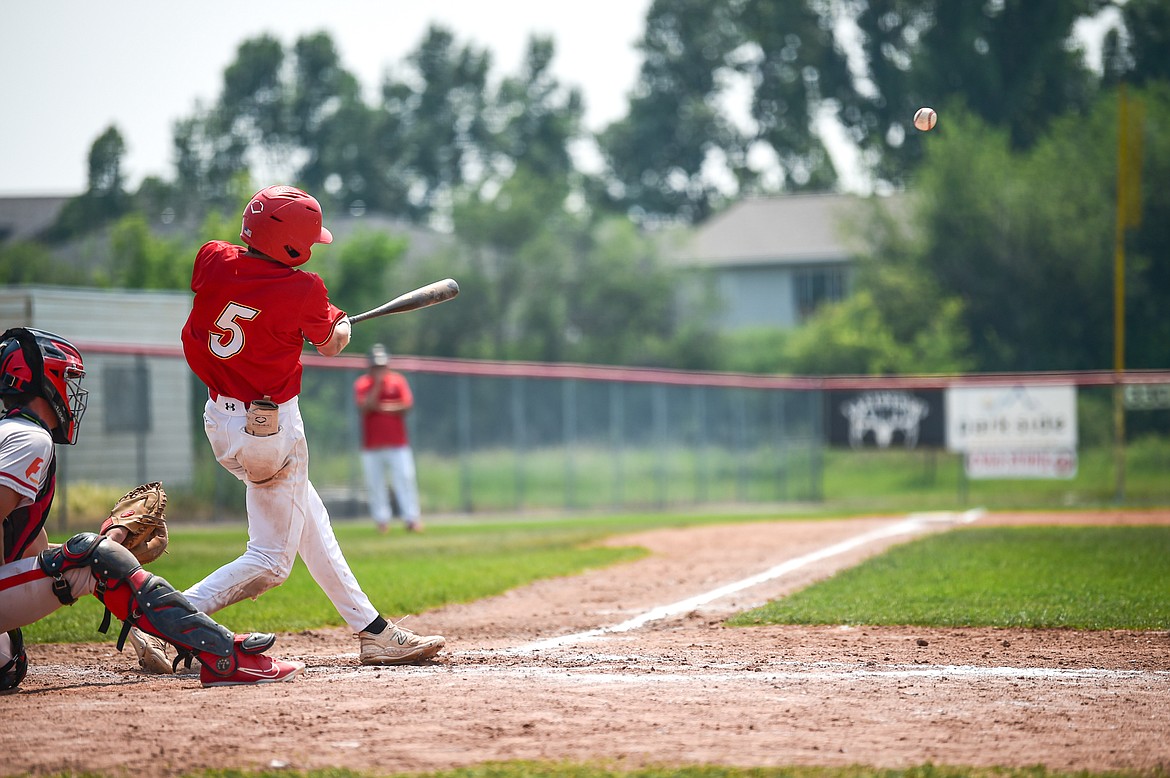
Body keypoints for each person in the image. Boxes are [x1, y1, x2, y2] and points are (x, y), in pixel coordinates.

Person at [128, 185, 445, 675]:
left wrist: (305, 317)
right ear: (292, 245)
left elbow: (245, 296)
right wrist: (340, 325)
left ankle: (373, 631)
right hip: (271, 436)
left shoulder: (212, 258)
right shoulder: (305, 290)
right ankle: (163, 618)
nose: (313, 249)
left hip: (221, 423)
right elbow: (331, 344)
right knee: (272, 561)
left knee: (313, 526)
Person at [0, 327, 303, 690]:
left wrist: (110, 546)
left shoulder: (13, 433)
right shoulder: (28, 438)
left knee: (9, 662)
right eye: (67, 378)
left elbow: (30, 553)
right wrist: (99, 555)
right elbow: (75, 564)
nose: (72, 391)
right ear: (42, 380)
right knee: (93, 559)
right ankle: (225, 656)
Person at [354, 345, 423, 533]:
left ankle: (412, 519)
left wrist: (381, 408)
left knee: (405, 479)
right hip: (372, 445)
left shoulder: (397, 381)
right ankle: (382, 521)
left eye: (382, 365)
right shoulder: (363, 384)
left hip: (397, 443)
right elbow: (365, 407)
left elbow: (406, 405)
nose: (379, 369)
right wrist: (377, 386)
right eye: (375, 365)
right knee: (375, 484)